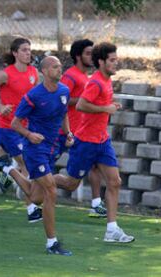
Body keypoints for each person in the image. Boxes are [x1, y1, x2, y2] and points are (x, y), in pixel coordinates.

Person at [54, 42, 135, 243]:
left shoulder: (107, 81)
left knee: (115, 182)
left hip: (102, 141)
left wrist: (108, 106)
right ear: (101, 62)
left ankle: (112, 230)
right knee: (71, 184)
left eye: (116, 60)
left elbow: (99, 105)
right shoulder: (96, 82)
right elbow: (81, 105)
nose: (116, 64)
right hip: (85, 142)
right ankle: (40, 178)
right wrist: (105, 109)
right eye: (112, 60)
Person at [8, 56, 73, 255]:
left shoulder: (64, 91)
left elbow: (64, 114)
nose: (59, 69)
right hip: (35, 150)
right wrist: (29, 134)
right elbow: (15, 124)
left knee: (35, 197)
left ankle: (8, 169)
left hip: (52, 148)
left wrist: (68, 133)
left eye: (60, 66)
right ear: (44, 71)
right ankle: (52, 243)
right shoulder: (33, 96)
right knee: (51, 191)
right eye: (54, 67)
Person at [0, 37, 42, 223]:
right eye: (24, 50)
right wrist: (0, 106)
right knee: (27, 164)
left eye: (29, 49)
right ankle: (31, 208)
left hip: (24, 126)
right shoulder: (5, 74)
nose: (28, 53)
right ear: (15, 53)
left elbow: (34, 97)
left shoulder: (33, 73)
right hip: (8, 127)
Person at [53, 39, 107, 218]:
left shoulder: (87, 77)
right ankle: (37, 181)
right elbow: (60, 99)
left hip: (84, 132)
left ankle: (96, 204)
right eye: (88, 54)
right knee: (71, 183)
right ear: (78, 56)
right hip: (68, 132)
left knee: (96, 167)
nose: (92, 57)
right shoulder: (70, 75)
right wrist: (85, 100)